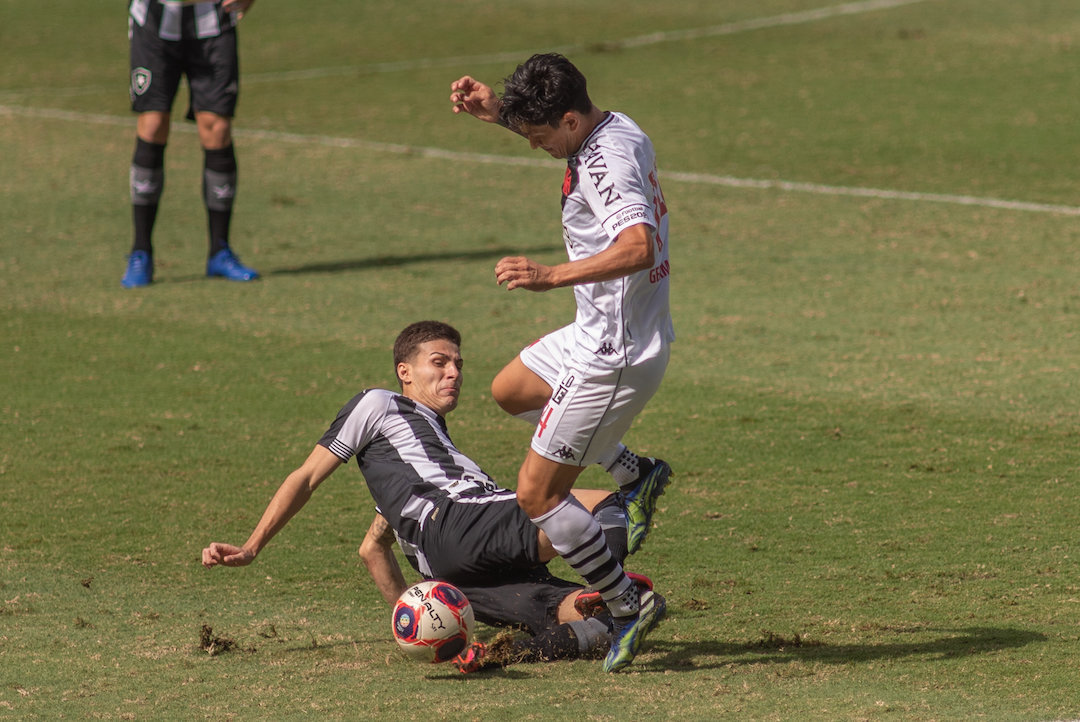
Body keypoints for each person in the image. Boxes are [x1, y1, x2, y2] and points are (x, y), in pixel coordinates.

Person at [200, 321, 663, 670]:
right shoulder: (380, 404)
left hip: (451, 575)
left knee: (602, 620)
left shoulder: (408, 471)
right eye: (439, 362)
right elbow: (305, 477)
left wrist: (420, 611)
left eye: (458, 364)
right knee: (605, 505)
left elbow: (372, 548)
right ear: (405, 371)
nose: (453, 372)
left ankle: (501, 653)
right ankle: (615, 590)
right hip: (460, 523)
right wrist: (253, 545)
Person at [449, 53, 675, 671]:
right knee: (512, 390)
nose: (535, 145)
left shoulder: (608, 163)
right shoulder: (610, 126)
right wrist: (497, 111)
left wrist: (551, 275)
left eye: (541, 133)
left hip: (613, 355)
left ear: (571, 121)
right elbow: (560, 140)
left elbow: (637, 245)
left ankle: (627, 605)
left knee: (535, 495)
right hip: (592, 329)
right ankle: (635, 473)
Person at [123, 0, 260, 288]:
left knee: (216, 128)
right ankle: (141, 252)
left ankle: (219, 252)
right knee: (153, 124)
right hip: (153, 25)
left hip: (213, 24)